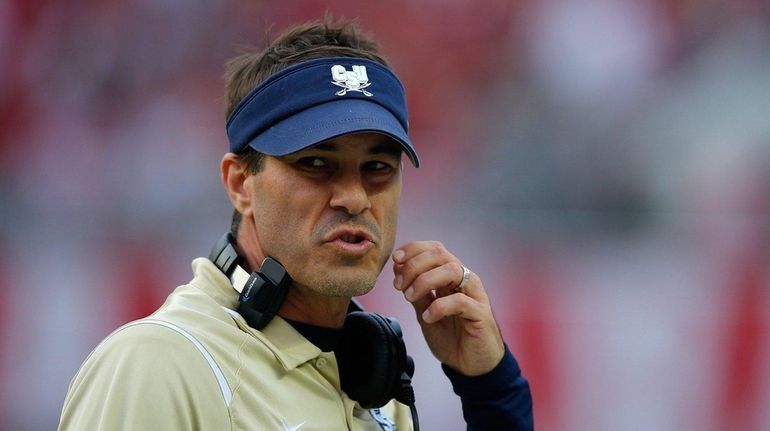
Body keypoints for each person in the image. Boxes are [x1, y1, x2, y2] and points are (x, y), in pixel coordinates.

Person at [59, 17, 533, 431]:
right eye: (314, 163)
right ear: (241, 183)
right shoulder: (159, 366)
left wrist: (490, 389)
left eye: (377, 168)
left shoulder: (376, 384)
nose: (354, 197)